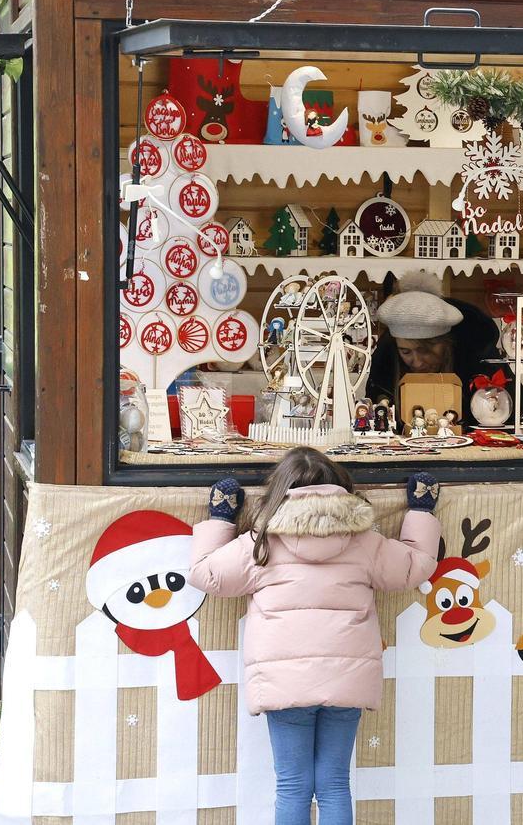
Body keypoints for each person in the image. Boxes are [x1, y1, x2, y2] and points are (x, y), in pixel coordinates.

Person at [188, 448, 442, 825]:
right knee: (335, 784)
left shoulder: (262, 542)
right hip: (347, 681)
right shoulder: (364, 540)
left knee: (292, 785)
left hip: (284, 683)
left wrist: (222, 516)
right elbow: (414, 568)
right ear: (339, 490)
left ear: (280, 492)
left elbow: (205, 574)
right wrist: (421, 511)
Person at [368, 272, 501, 425]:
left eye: (425, 350)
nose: (417, 362)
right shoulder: (384, 368)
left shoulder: (479, 362)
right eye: (405, 352)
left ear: (446, 343)